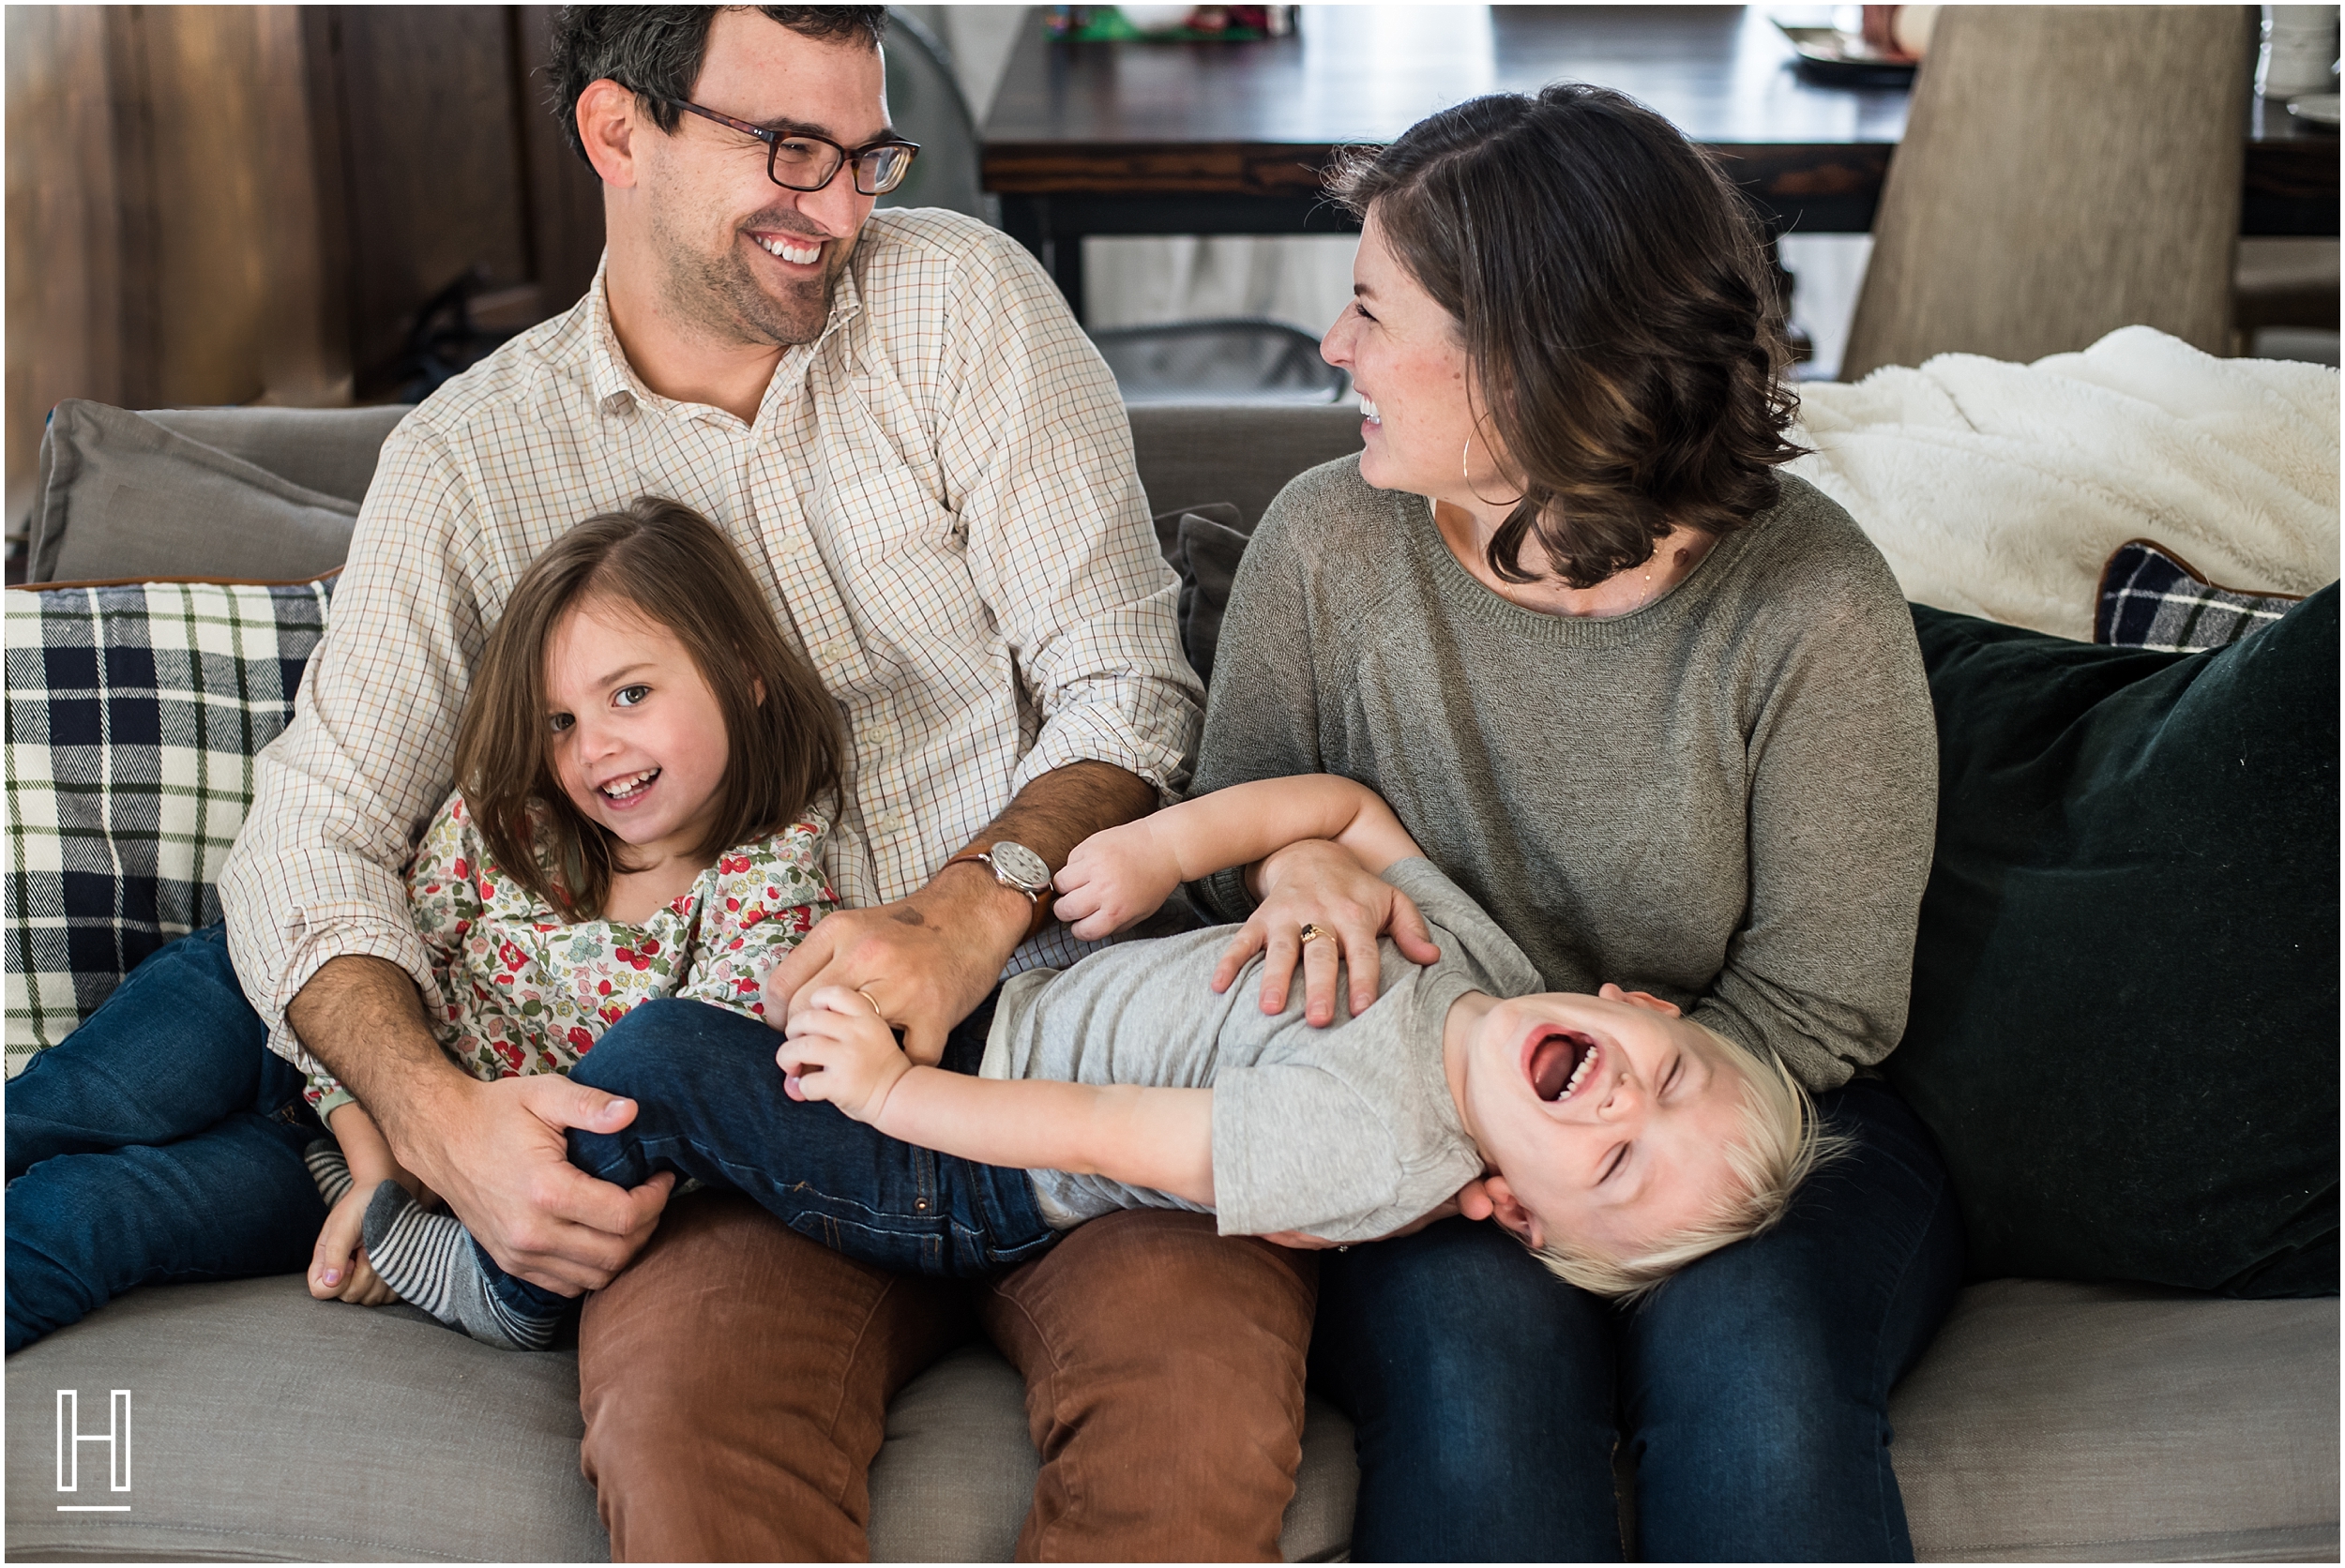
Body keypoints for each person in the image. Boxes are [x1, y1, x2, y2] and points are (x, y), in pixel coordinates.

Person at [13, 7, 1315, 1559]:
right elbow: (315, 829)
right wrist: (434, 1119)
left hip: (1069, 1051)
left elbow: (1125, 684)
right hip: (736, 1132)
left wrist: (976, 906)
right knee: (690, 1463)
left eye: (867, 153)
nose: (843, 211)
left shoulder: (961, 304)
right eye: (790, 153)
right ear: (618, 133)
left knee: (1195, 1435)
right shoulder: (475, 461)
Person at [1187, 84, 1967, 1560]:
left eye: (1370, 308)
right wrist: (1294, 867)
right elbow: (1214, 881)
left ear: (1523, 363)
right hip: (1424, 1123)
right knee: (1476, 1397)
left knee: (1762, 1386)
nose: (1333, 348)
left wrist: (1613, 1154)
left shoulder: (1809, 603)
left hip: (1747, 1119)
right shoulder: (1324, 543)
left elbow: (1826, 999)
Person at [422, 771, 1833, 1344]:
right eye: (1679, 1072)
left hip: (957, 1174)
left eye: (1620, 1167)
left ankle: (503, 1279)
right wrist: (1170, 844)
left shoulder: (1380, 1147)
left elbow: (1105, 1134)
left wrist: (895, 1096)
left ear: (1514, 1209)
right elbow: (1346, 809)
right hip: (1000, 1019)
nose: (1626, 1102)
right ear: (1641, 1002)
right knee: (764, 964)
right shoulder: (1488, 971)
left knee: (671, 1052)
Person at [296, 496, 842, 1350]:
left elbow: (674, 1102)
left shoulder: (769, 886)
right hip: (347, 1104)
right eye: (562, 722)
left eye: (629, 694)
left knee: (95, 1217)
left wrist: (407, 1198)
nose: (593, 752)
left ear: (745, 673)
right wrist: (379, 1172)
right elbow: (380, 979)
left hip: (426, 1189)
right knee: (150, 1048)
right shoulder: (510, 821)